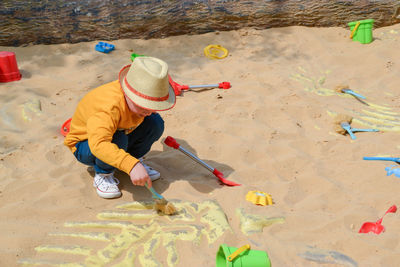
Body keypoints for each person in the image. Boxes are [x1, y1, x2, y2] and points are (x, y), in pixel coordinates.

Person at [64, 56, 176, 199]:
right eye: (144, 105)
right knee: (118, 139)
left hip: (121, 131)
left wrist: (132, 163)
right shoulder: (108, 107)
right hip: (86, 145)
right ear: (128, 94)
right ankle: (104, 173)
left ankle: (130, 161)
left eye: (154, 106)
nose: (149, 111)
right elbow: (99, 144)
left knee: (155, 122)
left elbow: (146, 117)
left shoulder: (140, 108)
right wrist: (132, 165)